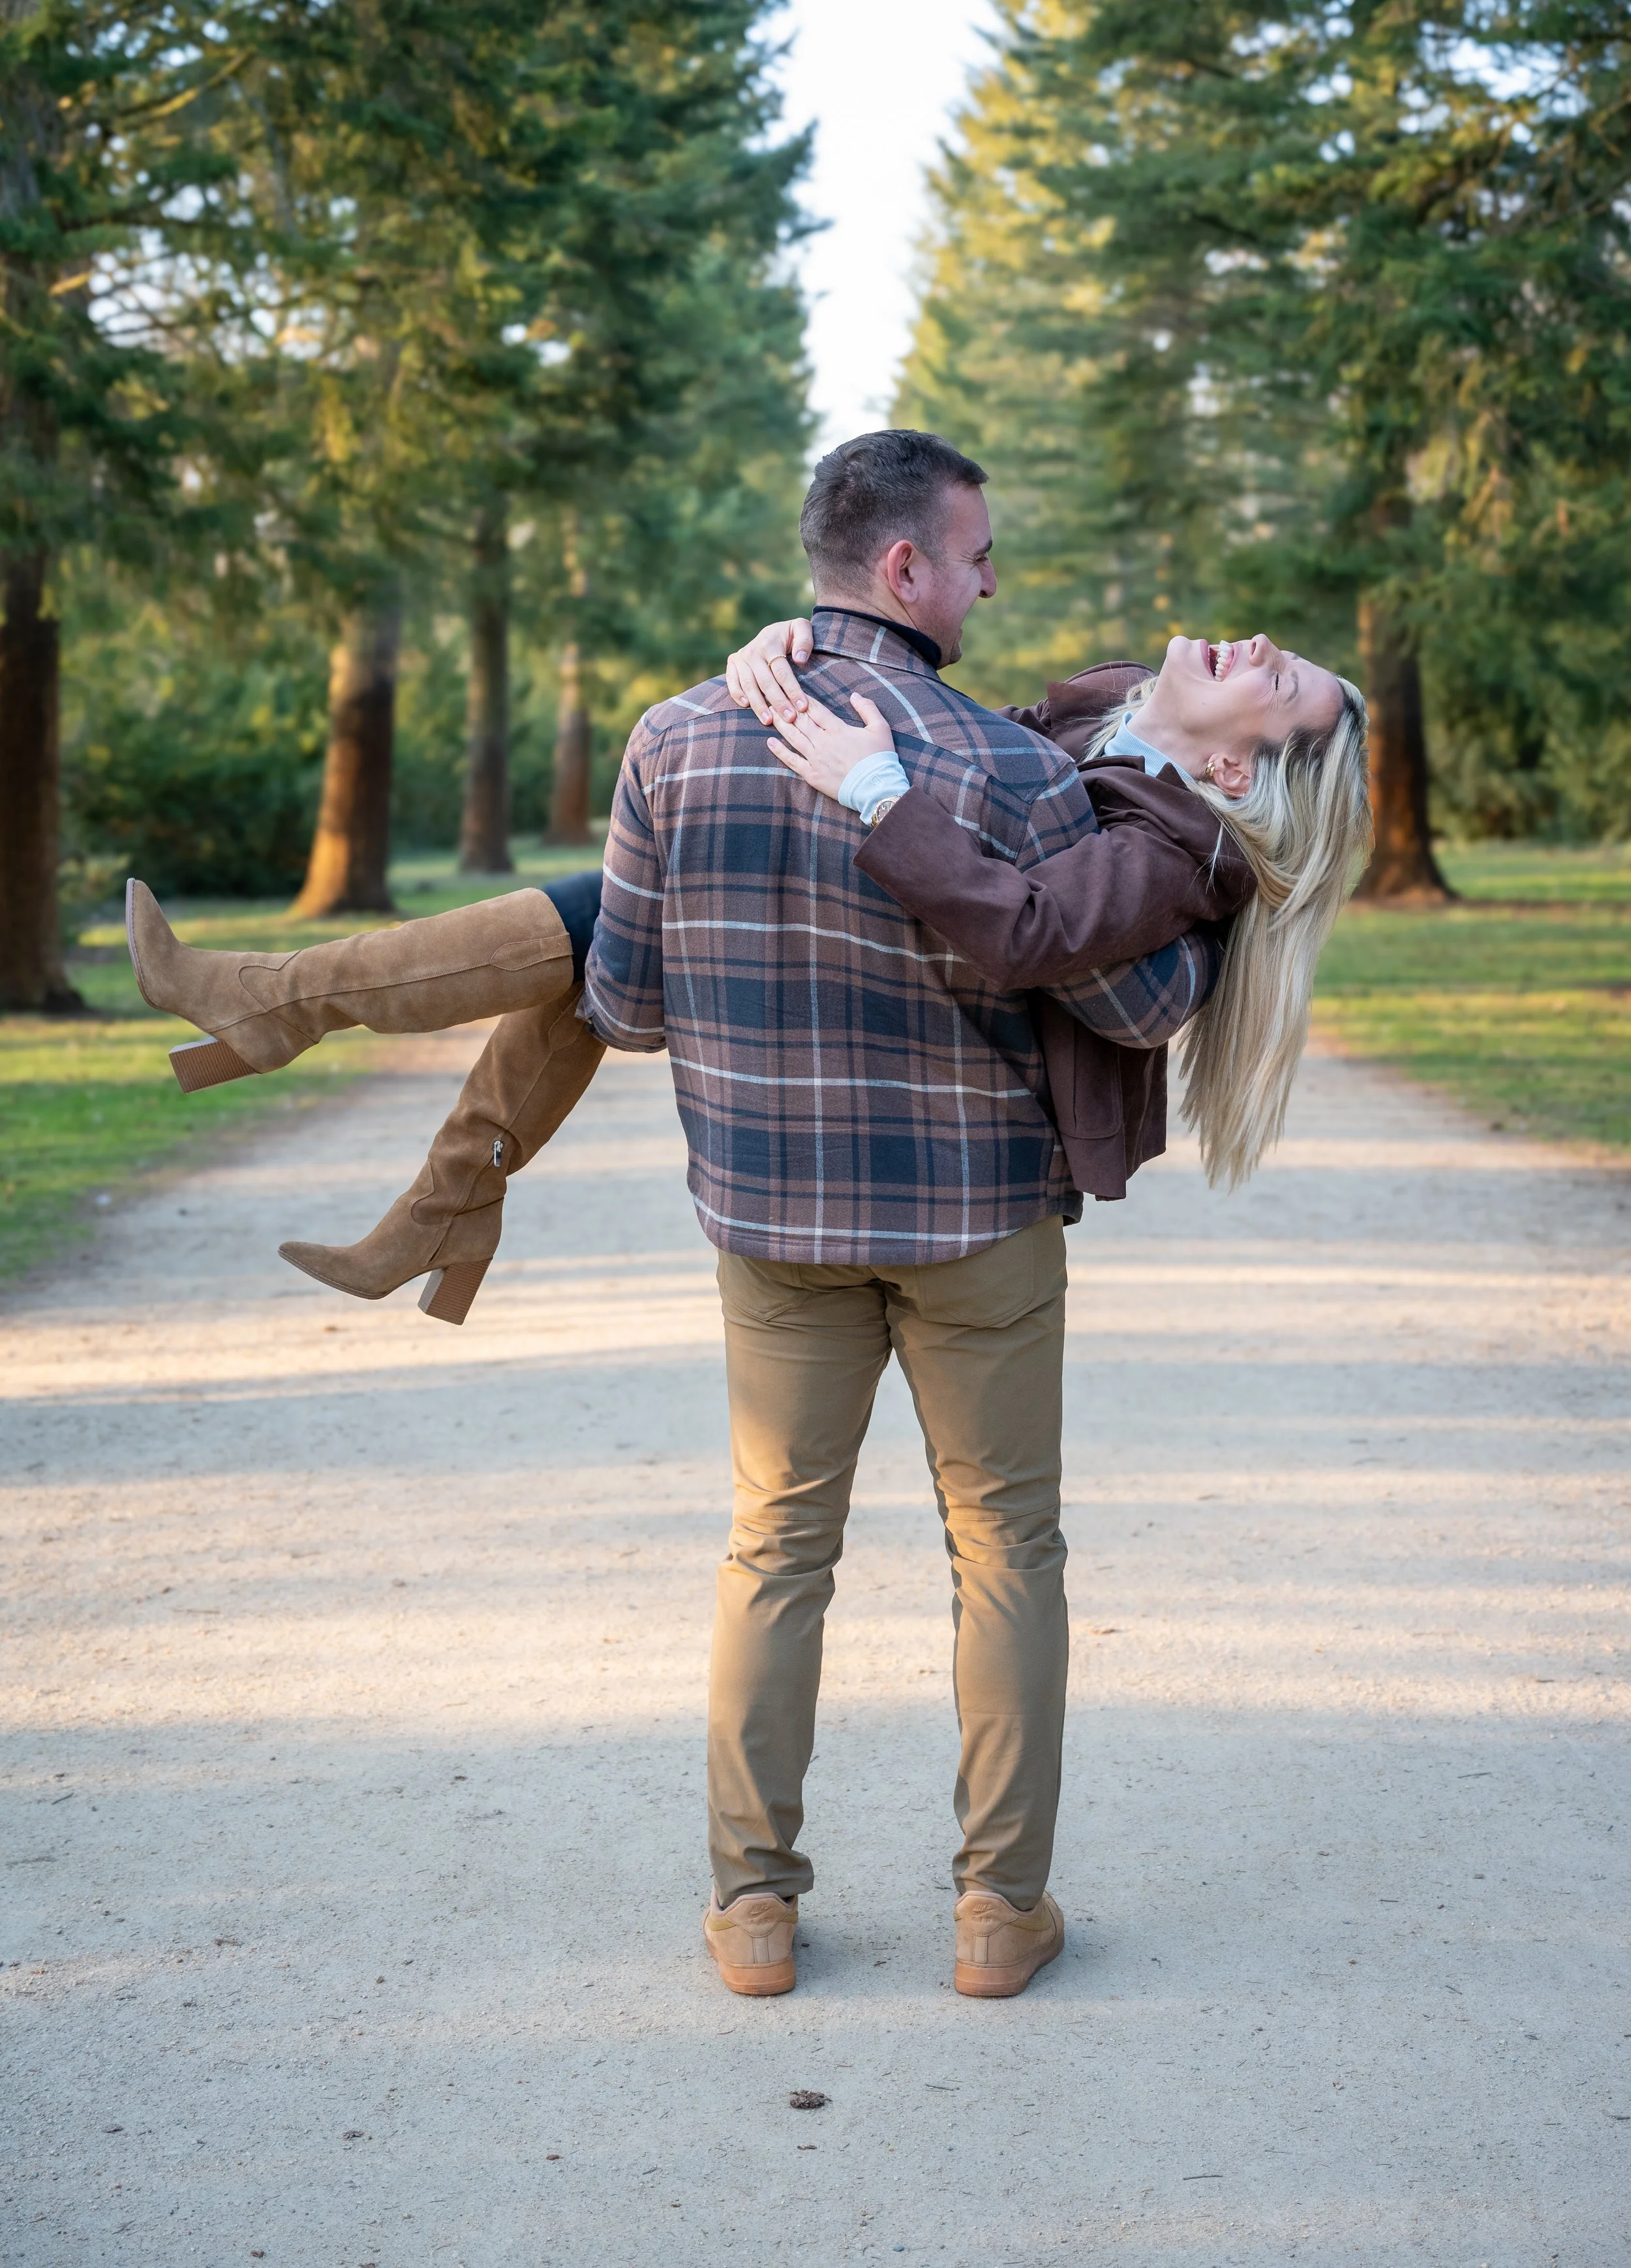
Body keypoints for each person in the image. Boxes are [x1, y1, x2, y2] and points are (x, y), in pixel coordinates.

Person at [126, 429, 1223, 2002]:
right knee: (1007, 1551)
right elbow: (1124, 1003)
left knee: (775, 1549)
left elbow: (622, 992)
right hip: (978, 1218)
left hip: (772, 1216)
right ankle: (999, 1916)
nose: (992, 582)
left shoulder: (680, 735)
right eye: (978, 555)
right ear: (905, 566)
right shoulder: (1015, 768)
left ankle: (753, 1912)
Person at [728, 619, 1370, 1188]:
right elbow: (973, 750)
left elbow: (1027, 932)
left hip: (981, 1122)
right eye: (1281, 653)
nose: (1260, 645)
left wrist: (878, 793)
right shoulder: (1113, 692)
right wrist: (812, 652)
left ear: (1232, 771)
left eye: (1280, 681)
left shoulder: (1169, 853)